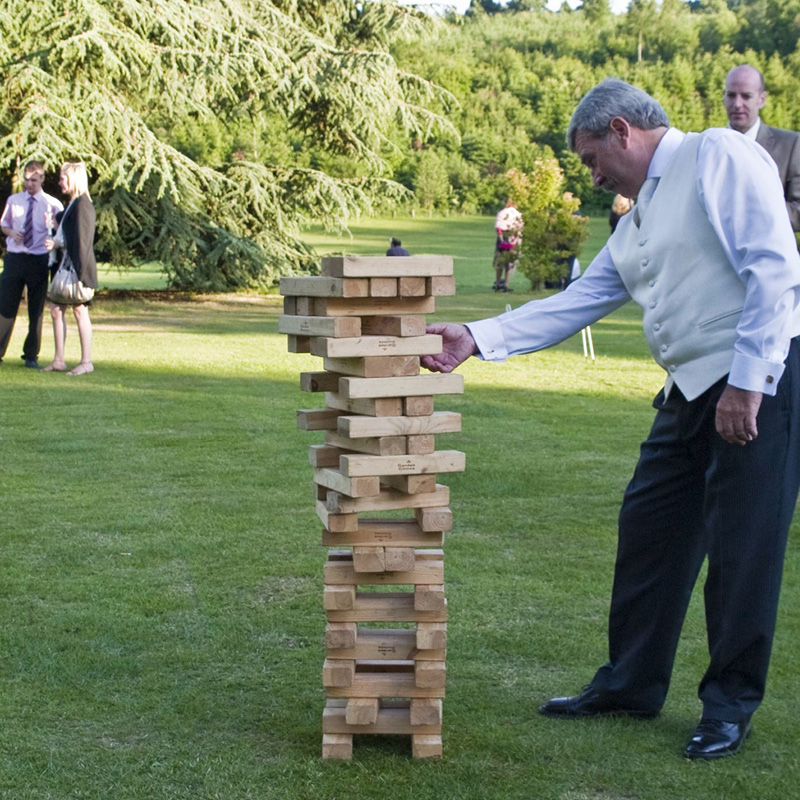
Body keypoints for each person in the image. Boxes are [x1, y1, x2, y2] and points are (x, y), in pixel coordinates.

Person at [421, 79, 800, 761]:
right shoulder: (638, 214)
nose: (592, 176)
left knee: (744, 548)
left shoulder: (717, 154)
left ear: (622, 130)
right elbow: (584, 296)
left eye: (593, 158)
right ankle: (630, 684)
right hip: (687, 391)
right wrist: (477, 336)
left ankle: (728, 707)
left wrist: (749, 383)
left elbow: (775, 268)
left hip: (757, 380)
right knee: (649, 527)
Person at [0, 161, 64, 368]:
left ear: (42, 179)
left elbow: (61, 232)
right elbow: (4, 224)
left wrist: (53, 226)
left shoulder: (52, 204)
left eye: (34, 180)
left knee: (35, 308)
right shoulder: (14, 200)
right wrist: (11, 233)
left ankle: (30, 355)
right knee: (5, 306)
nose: (29, 184)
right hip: (15, 257)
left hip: (38, 259)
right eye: (26, 180)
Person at [724, 64, 800, 231]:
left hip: (771, 252)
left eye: (746, 96)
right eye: (731, 95)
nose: (737, 104)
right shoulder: (707, 147)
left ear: (762, 99)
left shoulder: (791, 144)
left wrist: (752, 214)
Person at [43, 162, 98, 376]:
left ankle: (86, 361)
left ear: (72, 179)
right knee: (57, 310)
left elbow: (82, 241)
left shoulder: (83, 205)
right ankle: (59, 360)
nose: (59, 182)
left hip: (76, 269)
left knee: (79, 310)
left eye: (62, 178)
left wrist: (58, 244)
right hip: (68, 266)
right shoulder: (74, 205)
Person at [493, 199, 523, 292]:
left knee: (499, 262)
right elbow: (519, 229)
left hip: (502, 240)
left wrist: (501, 239)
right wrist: (515, 241)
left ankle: (498, 283)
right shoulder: (517, 214)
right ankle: (506, 284)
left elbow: (498, 228)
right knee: (510, 263)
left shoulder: (502, 213)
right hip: (512, 239)